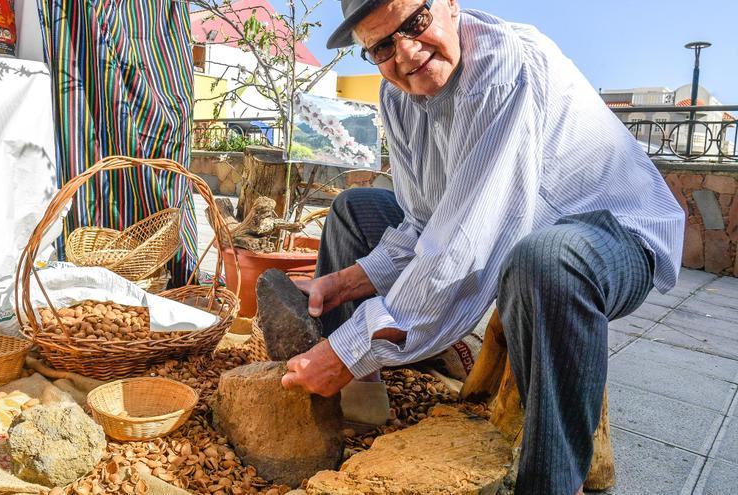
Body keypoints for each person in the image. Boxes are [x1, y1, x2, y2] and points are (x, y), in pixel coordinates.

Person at [279, 1, 686, 494]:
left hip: (613, 236)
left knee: (546, 260)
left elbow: (464, 248)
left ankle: (554, 482)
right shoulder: (397, 95)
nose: (405, 53)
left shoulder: (501, 68)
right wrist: (342, 282)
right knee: (356, 207)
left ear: (449, 5)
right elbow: (423, 224)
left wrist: (350, 348)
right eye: (382, 45)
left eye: (414, 24)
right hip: (508, 236)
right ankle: (358, 393)